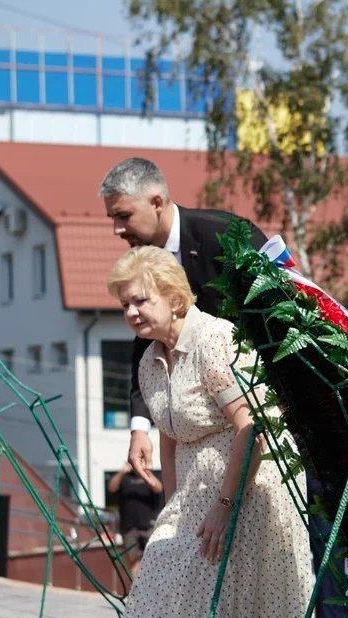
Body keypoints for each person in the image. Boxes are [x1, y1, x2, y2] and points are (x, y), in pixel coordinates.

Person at [107, 246, 316, 618]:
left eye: (140, 300)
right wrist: (171, 505)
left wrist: (225, 505)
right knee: (163, 566)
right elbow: (169, 432)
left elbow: (252, 425)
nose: (131, 311)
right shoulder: (149, 361)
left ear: (174, 298)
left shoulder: (212, 341)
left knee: (229, 603)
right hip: (196, 481)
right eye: (125, 304)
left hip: (252, 481)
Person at [98, 157, 269, 494]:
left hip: (260, 438)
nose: (117, 229)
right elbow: (145, 346)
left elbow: (280, 311)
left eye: (124, 216)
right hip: (196, 469)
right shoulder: (141, 262)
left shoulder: (227, 236)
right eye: (112, 218)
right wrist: (138, 427)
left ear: (157, 202)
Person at [107, 462, 164, 573]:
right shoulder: (125, 478)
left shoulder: (148, 478)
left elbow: (159, 488)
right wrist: (122, 471)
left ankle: (148, 588)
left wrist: (146, 472)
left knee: (152, 560)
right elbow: (111, 488)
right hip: (129, 527)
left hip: (148, 526)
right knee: (134, 560)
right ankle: (136, 588)